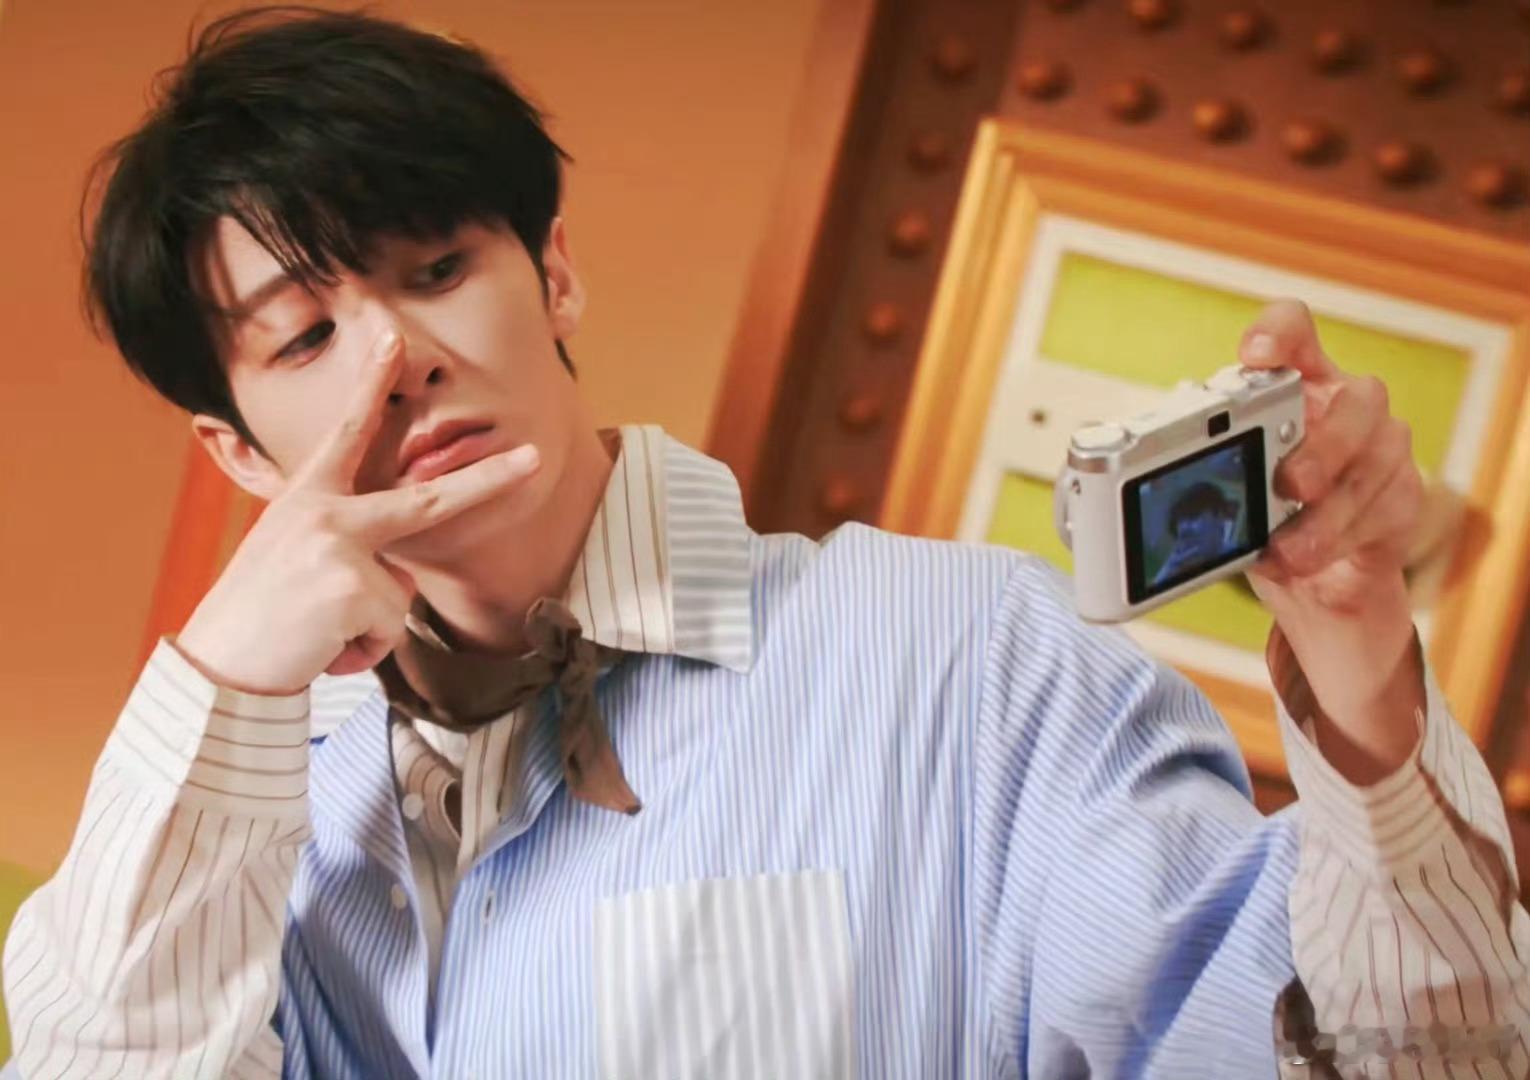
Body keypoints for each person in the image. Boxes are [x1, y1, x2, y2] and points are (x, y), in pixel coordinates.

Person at [4, 7, 1527, 1078]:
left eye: (438, 267)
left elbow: (1388, 1061)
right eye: (304, 335)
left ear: (554, 275)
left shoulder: (967, 658)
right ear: (236, 452)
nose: (398, 357)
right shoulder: (242, 826)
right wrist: (220, 685)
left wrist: (1359, 670)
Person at [1149, 480, 1243, 588]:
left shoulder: (1238, 559)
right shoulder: (1170, 571)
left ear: (1220, 521)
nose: (1184, 529)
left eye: (1193, 516)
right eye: (1180, 521)